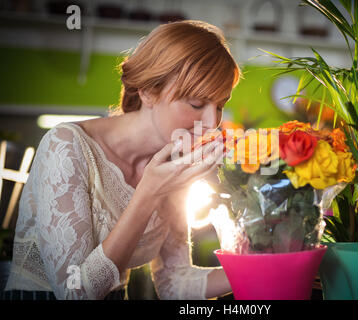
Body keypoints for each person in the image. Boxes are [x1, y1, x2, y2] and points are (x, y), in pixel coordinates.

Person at [3, 20, 241, 300]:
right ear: (149, 92)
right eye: (197, 104)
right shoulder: (67, 145)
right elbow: (73, 293)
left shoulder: (174, 165)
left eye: (220, 105)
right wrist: (148, 193)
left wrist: (262, 267)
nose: (212, 122)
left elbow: (175, 281)